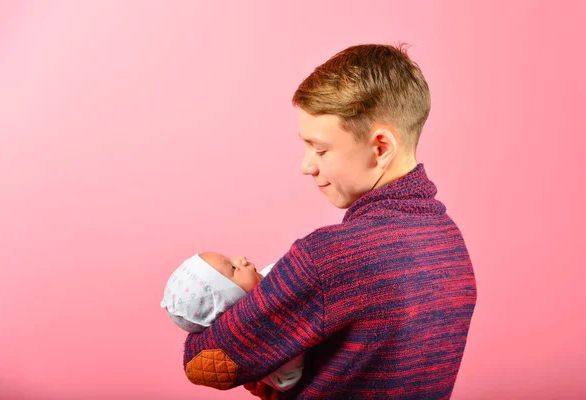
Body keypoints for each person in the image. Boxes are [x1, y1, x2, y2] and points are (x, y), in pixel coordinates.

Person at [182, 43, 478, 399]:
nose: (307, 165)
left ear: (381, 148)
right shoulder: (450, 243)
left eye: (320, 149)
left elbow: (203, 361)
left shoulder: (328, 257)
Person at [160, 252, 305, 392]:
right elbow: (286, 380)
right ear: (234, 303)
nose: (241, 259)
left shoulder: (267, 279)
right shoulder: (258, 338)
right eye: (233, 268)